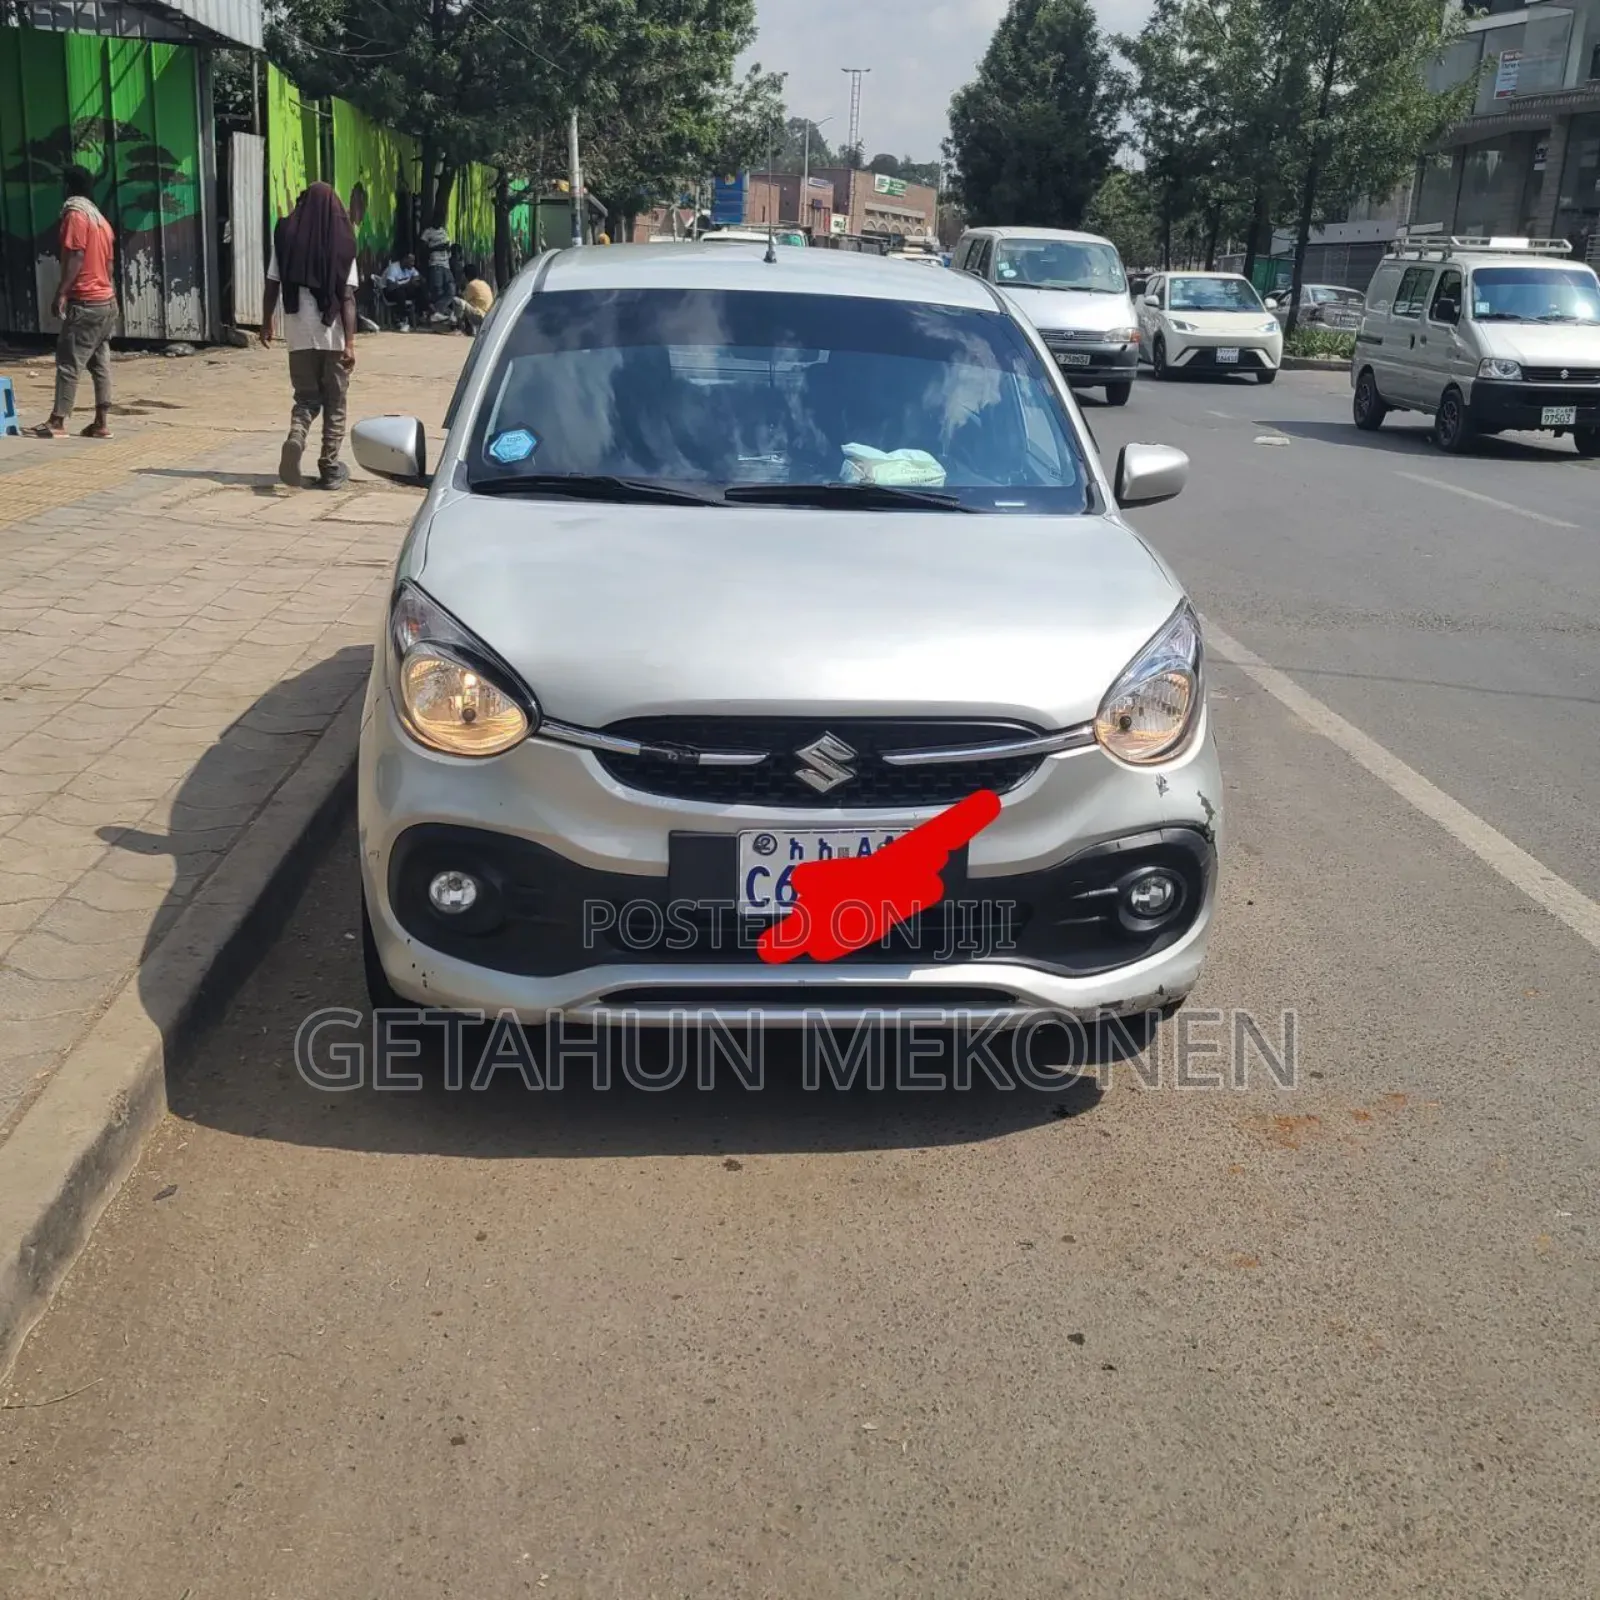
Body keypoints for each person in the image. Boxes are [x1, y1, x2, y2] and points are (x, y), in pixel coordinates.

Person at [261, 182, 358, 490]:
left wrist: (266, 322)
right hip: (333, 335)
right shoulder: (343, 239)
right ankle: (330, 468)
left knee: (306, 397)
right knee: (335, 401)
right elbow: (347, 298)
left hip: (297, 331)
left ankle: (296, 437)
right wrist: (351, 343)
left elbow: (273, 283)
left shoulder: (286, 234)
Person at [31, 165, 118, 440]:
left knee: (69, 362)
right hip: (106, 302)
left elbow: (76, 256)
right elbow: (110, 265)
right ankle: (101, 423)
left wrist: (62, 292)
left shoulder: (75, 215)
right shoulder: (101, 220)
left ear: (68, 187)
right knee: (100, 362)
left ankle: (58, 421)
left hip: (86, 302)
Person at [380, 253, 426, 326]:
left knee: (420, 289)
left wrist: (418, 280)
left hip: (402, 290)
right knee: (400, 292)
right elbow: (390, 287)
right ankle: (401, 318)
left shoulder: (410, 268)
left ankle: (422, 314)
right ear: (404, 260)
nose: (413, 264)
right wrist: (408, 283)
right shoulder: (393, 268)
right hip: (388, 293)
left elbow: (421, 279)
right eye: (411, 261)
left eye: (413, 261)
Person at [419, 222, 453, 315]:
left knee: (451, 289)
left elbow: (448, 246)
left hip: (446, 264)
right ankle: (438, 314)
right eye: (438, 217)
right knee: (437, 290)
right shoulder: (428, 232)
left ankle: (436, 310)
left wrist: (447, 248)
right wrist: (438, 248)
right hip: (435, 264)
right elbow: (423, 249)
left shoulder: (444, 231)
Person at [457, 265, 494, 335]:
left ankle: (457, 327)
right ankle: (469, 329)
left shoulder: (471, 285)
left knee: (458, 302)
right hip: (488, 315)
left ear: (466, 275)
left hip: (480, 315)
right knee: (470, 303)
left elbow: (463, 300)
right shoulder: (484, 283)